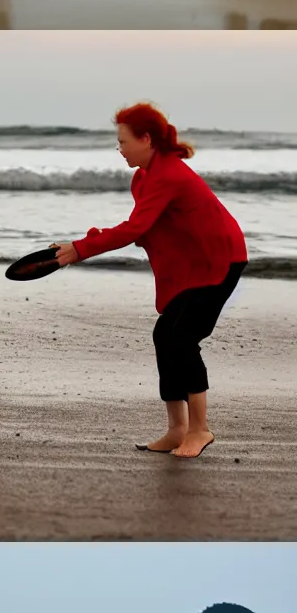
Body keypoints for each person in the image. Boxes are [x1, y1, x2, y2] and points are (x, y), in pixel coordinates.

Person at [51, 103, 247, 458]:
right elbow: (145, 226)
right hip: (194, 261)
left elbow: (136, 228)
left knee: (183, 338)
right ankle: (177, 429)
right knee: (165, 334)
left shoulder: (168, 174)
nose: (119, 148)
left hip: (220, 259)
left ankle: (200, 430)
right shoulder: (143, 177)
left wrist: (81, 248)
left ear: (147, 139)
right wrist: (92, 240)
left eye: (123, 141)